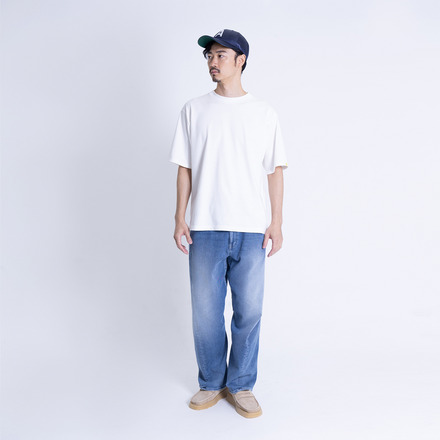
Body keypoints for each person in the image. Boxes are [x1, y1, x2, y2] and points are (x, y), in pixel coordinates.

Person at [168, 29, 288, 419]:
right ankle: (211, 382)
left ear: (241, 60)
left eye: (221, 55)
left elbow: (275, 170)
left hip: (251, 229)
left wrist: (276, 222)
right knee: (205, 313)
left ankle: (241, 385)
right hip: (205, 226)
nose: (213, 62)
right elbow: (185, 168)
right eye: (209, 56)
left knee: (249, 312)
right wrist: (179, 216)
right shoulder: (194, 109)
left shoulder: (264, 113)